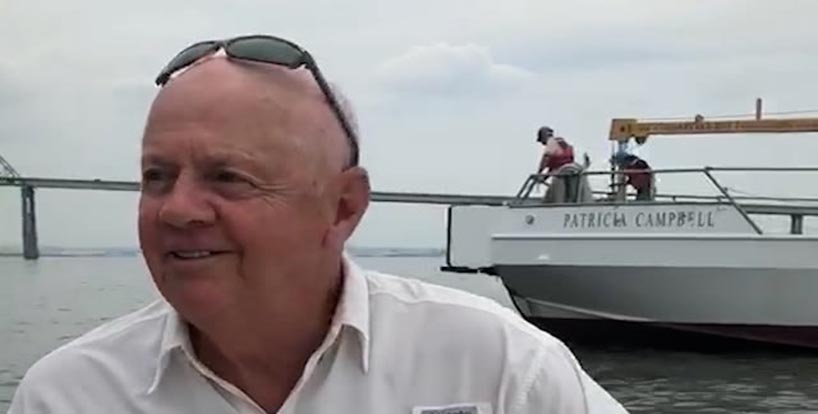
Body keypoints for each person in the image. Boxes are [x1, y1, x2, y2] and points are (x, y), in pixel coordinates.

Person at [8, 34, 628, 414]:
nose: (178, 209)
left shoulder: (499, 367)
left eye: (229, 177)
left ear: (343, 207)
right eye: (157, 177)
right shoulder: (68, 395)